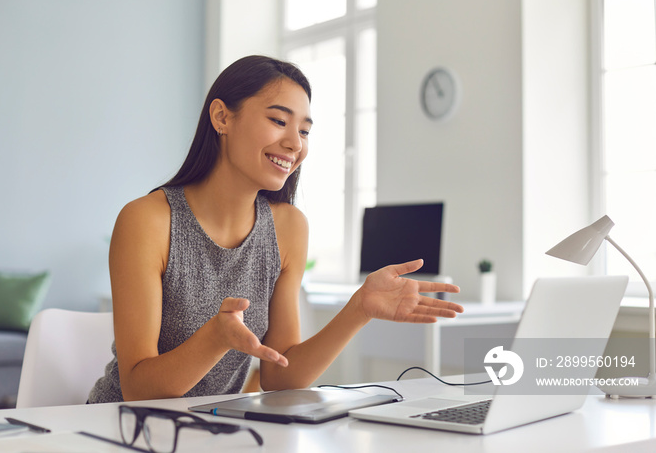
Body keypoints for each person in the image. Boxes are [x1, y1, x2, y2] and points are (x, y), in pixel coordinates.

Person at [88, 55, 464, 403]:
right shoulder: (148, 220)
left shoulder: (288, 227)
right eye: (279, 121)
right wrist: (215, 338)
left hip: (209, 433)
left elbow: (280, 376)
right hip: (119, 429)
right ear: (222, 117)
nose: (294, 143)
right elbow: (137, 389)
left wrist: (359, 309)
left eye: (304, 130)